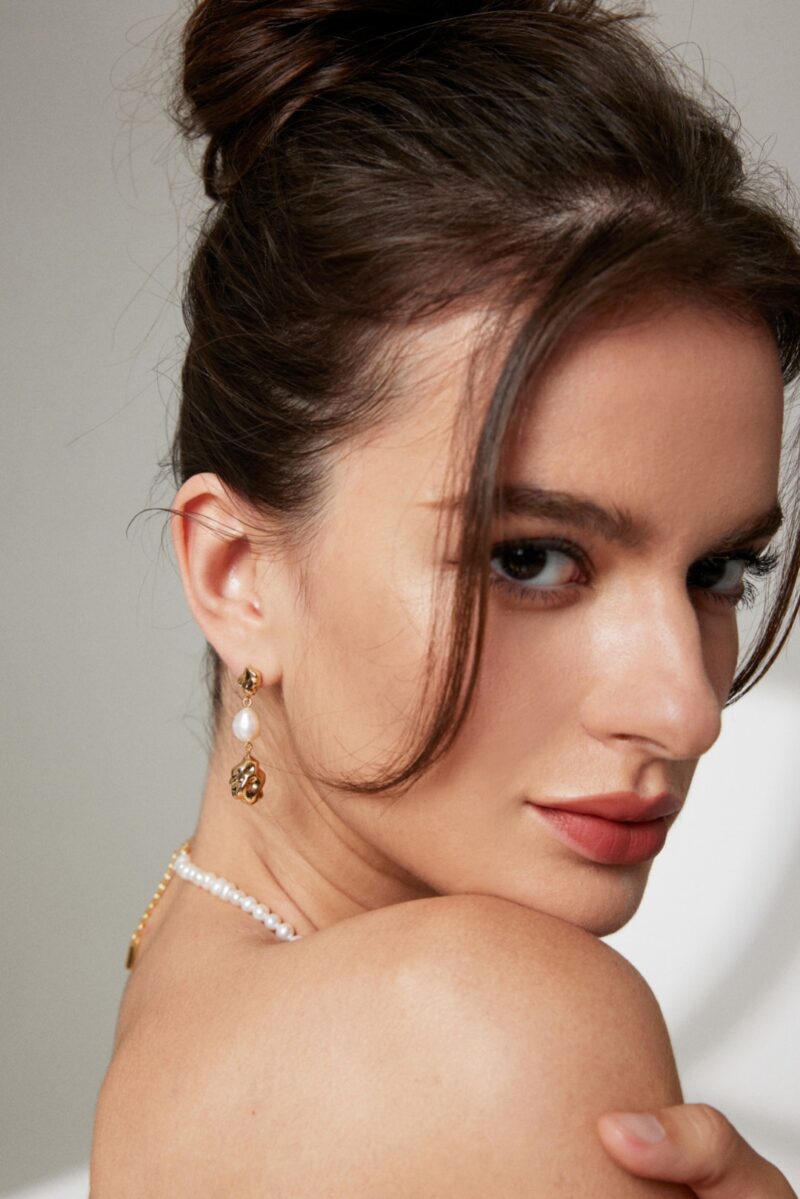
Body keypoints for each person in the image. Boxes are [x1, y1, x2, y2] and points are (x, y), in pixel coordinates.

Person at [90, 1, 800, 1194]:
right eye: (529, 558)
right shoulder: (490, 1020)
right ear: (238, 573)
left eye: (715, 570)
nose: (685, 708)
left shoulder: (186, 977)